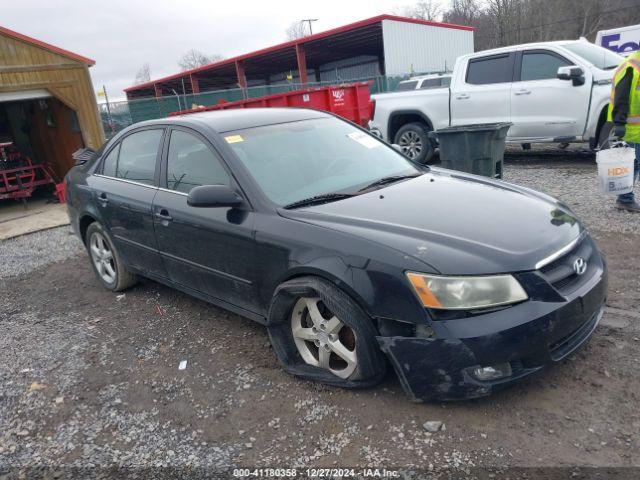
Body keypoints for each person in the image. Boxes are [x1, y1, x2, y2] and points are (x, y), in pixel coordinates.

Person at [609, 50, 640, 212]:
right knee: (632, 165)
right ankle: (625, 199)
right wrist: (619, 123)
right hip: (633, 129)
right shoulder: (631, 66)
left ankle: (624, 199)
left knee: (633, 165)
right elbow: (621, 97)